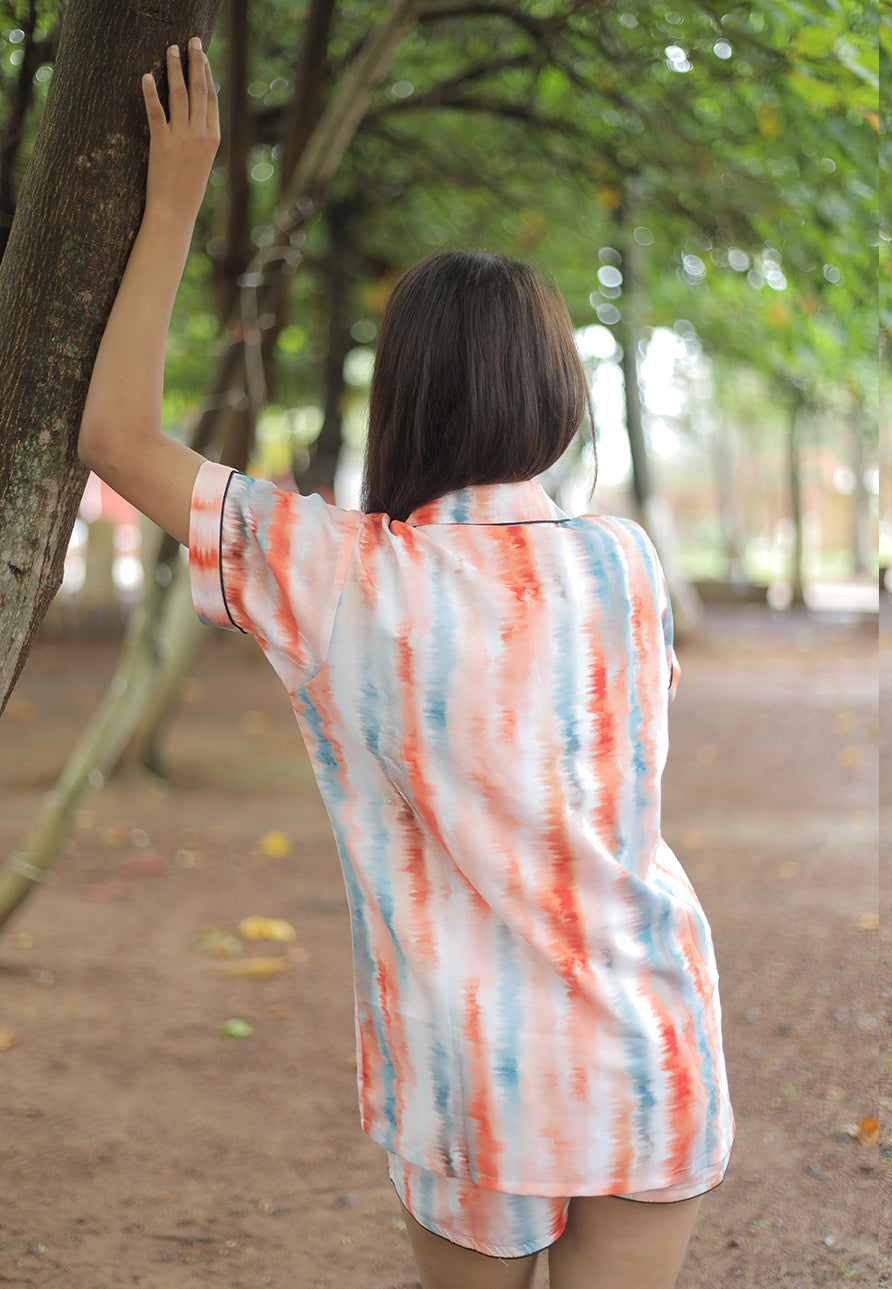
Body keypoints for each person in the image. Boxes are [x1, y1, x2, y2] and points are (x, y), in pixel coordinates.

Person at [78, 40, 734, 1289]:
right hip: (652, 1040)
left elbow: (116, 435)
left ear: (405, 401)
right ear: (556, 395)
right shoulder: (628, 565)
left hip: (473, 1072)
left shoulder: (340, 576)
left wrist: (176, 199)